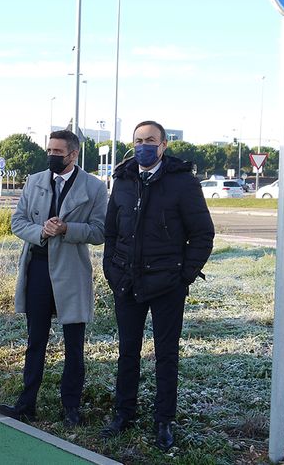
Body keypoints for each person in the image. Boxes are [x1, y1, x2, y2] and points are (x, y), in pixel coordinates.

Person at [101, 121, 214, 450]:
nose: (143, 145)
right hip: (127, 281)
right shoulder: (122, 180)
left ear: (163, 145)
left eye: (150, 140)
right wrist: (111, 269)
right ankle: (124, 414)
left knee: (165, 356)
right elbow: (111, 232)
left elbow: (202, 234)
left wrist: (185, 275)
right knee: (127, 353)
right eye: (138, 140)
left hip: (167, 284)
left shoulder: (183, 182)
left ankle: (163, 421)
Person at [0, 129, 107, 426]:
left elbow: (100, 231)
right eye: (50, 151)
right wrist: (41, 231)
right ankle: (26, 404)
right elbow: (17, 222)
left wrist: (67, 229)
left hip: (72, 271)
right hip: (38, 269)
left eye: (58, 152)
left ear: (74, 154)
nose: (52, 156)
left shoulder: (94, 188)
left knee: (74, 343)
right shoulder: (34, 181)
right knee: (36, 340)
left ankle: (71, 408)